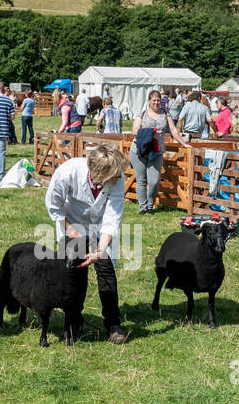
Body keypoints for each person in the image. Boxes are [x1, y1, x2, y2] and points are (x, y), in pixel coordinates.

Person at [46, 144, 130, 344]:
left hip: (100, 225)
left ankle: (113, 323)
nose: (120, 178)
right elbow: (53, 203)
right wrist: (69, 229)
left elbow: (112, 218)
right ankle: (74, 321)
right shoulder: (68, 172)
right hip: (72, 222)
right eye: (115, 175)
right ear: (101, 173)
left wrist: (100, 250)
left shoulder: (117, 179)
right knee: (74, 271)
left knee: (106, 268)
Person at [129, 89, 192, 214]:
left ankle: (150, 205)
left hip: (157, 151)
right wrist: (149, 133)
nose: (157, 103)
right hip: (139, 149)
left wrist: (183, 143)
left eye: (158, 100)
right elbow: (134, 130)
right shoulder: (141, 114)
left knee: (154, 180)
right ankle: (143, 207)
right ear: (149, 101)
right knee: (141, 180)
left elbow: (173, 130)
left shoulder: (165, 113)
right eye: (154, 100)